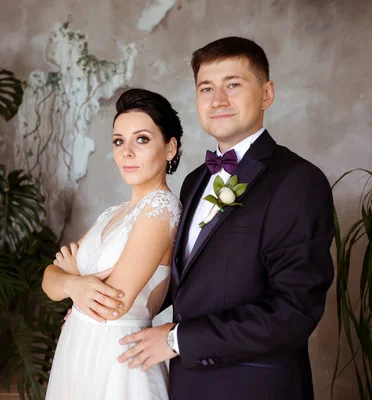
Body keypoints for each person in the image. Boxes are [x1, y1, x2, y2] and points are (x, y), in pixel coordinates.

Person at [114, 37, 335, 399]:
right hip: (187, 384)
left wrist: (177, 338)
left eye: (233, 84)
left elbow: (294, 312)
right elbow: (183, 280)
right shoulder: (194, 180)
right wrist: (95, 308)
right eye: (206, 88)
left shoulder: (297, 181)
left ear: (266, 94)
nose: (218, 100)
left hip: (255, 387)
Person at [42, 88, 183, 400]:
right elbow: (48, 280)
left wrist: (71, 284)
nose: (126, 152)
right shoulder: (112, 214)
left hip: (118, 357)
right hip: (79, 348)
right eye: (119, 141)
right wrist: (74, 285)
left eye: (142, 139)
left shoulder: (162, 209)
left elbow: (113, 302)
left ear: (170, 148)